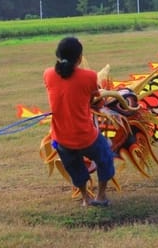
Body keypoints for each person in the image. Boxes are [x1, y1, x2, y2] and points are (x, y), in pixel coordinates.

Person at [43, 36, 115, 207]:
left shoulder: (48, 74)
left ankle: (85, 198)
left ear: (58, 55)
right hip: (85, 137)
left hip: (61, 138)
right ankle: (101, 196)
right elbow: (94, 97)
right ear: (80, 58)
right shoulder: (89, 77)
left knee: (75, 167)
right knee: (105, 155)